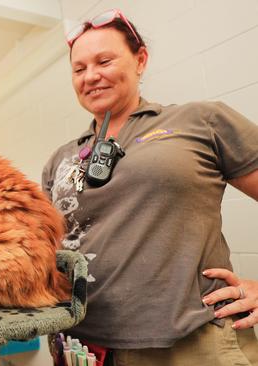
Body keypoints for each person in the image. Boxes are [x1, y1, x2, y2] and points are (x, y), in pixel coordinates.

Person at [42, 9, 258, 366]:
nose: (91, 76)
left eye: (104, 61)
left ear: (140, 60)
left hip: (191, 341)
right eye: (79, 69)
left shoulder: (199, 122)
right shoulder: (60, 158)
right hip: (81, 345)